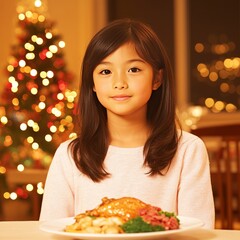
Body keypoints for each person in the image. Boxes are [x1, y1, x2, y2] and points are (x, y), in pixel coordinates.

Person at [39, 18, 215, 228]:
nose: (119, 83)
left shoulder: (188, 150)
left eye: (134, 70)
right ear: (92, 84)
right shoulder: (70, 155)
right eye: (105, 72)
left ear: (157, 79)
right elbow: (52, 230)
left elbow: (198, 232)